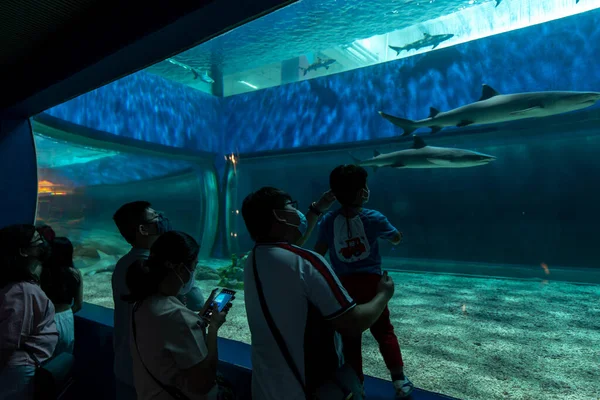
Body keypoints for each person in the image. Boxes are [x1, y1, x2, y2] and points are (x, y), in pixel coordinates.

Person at [241, 187, 396, 400]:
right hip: (309, 390)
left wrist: (316, 210)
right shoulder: (308, 262)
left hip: (266, 388)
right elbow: (353, 323)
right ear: (278, 215)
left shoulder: (254, 258)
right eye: (291, 206)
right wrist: (383, 295)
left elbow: (289, 248)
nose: (296, 211)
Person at [314, 165, 412, 398]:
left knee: (350, 336)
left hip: (342, 286)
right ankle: (398, 379)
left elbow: (318, 251)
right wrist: (396, 237)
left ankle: (357, 384)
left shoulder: (327, 221)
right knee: (384, 331)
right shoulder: (374, 217)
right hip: (371, 283)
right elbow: (395, 237)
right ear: (363, 193)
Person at [111, 201, 205, 399]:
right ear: (143, 229)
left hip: (125, 365)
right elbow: (196, 301)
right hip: (158, 375)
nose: (162, 220)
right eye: (156, 218)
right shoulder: (164, 273)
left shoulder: (122, 266)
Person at [123, 231, 233, 400]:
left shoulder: (142, 302)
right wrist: (213, 329)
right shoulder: (178, 317)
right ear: (181, 269)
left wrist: (199, 320)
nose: (193, 273)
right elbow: (204, 383)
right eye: (194, 267)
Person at [0, 224, 59, 400]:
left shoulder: (16, 283)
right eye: (38, 241)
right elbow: (8, 343)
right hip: (16, 370)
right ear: (24, 251)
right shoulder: (22, 291)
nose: (42, 244)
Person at [39, 232, 83, 356]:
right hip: (67, 319)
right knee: (63, 360)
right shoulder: (76, 273)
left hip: (44, 319)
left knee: (42, 359)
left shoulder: (42, 272)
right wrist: (66, 314)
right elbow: (79, 305)